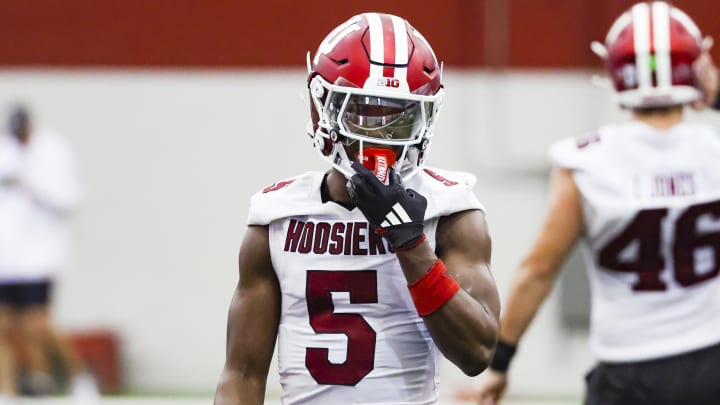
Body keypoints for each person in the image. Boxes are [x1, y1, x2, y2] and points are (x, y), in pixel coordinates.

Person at [214, 12, 500, 405]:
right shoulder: (277, 218)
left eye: (398, 118)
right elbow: (242, 374)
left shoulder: (450, 212)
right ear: (323, 108)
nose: (379, 136)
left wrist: (410, 241)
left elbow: (478, 353)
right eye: (363, 113)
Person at [457, 2, 720, 405]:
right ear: (695, 68)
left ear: (617, 72)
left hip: (628, 369)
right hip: (711, 360)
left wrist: (502, 362)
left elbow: (539, 271)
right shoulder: (712, 150)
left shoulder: (588, 161)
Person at [0, 105, 97, 404]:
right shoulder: (3, 151)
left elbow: (68, 200)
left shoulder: (52, 151)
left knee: (38, 325)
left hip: (39, 256)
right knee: (4, 326)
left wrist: (28, 181)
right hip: (6, 257)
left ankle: (79, 377)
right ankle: (7, 391)